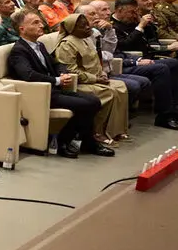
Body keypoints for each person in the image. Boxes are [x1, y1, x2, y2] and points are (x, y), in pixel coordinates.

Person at [6, 9, 112, 159]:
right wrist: (56, 80)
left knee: (94, 101)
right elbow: (28, 75)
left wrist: (63, 73)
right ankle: (64, 141)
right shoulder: (19, 50)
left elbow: (56, 62)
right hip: (39, 94)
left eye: (40, 21)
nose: (41, 25)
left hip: (54, 89)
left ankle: (83, 140)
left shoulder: (39, 45)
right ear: (22, 29)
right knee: (86, 105)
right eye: (35, 23)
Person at [111, 0, 178, 108]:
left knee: (177, 64)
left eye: (135, 11)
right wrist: (140, 26)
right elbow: (125, 44)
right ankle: (166, 110)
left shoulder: (131, 20)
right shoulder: (113, 26)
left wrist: (144, 24)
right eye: (131, 12)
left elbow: (152, 37)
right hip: (134, 58)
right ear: (119, 11)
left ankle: (176, 103)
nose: (134, 15)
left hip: (148, 54)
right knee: (164, 68)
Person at [56, 13, 129, 145]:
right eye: (83, 26)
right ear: (73, 29)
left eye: (87, 24)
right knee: (108, 92)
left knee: (120, 86)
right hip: (78, 83)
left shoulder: (86, 39)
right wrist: (95, 79)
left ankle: (115, 130)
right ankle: (97, 132)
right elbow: (71, 71)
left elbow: (96, 62)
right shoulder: (67, 44)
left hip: (95, 79)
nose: (88, 28)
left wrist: (102, 74)